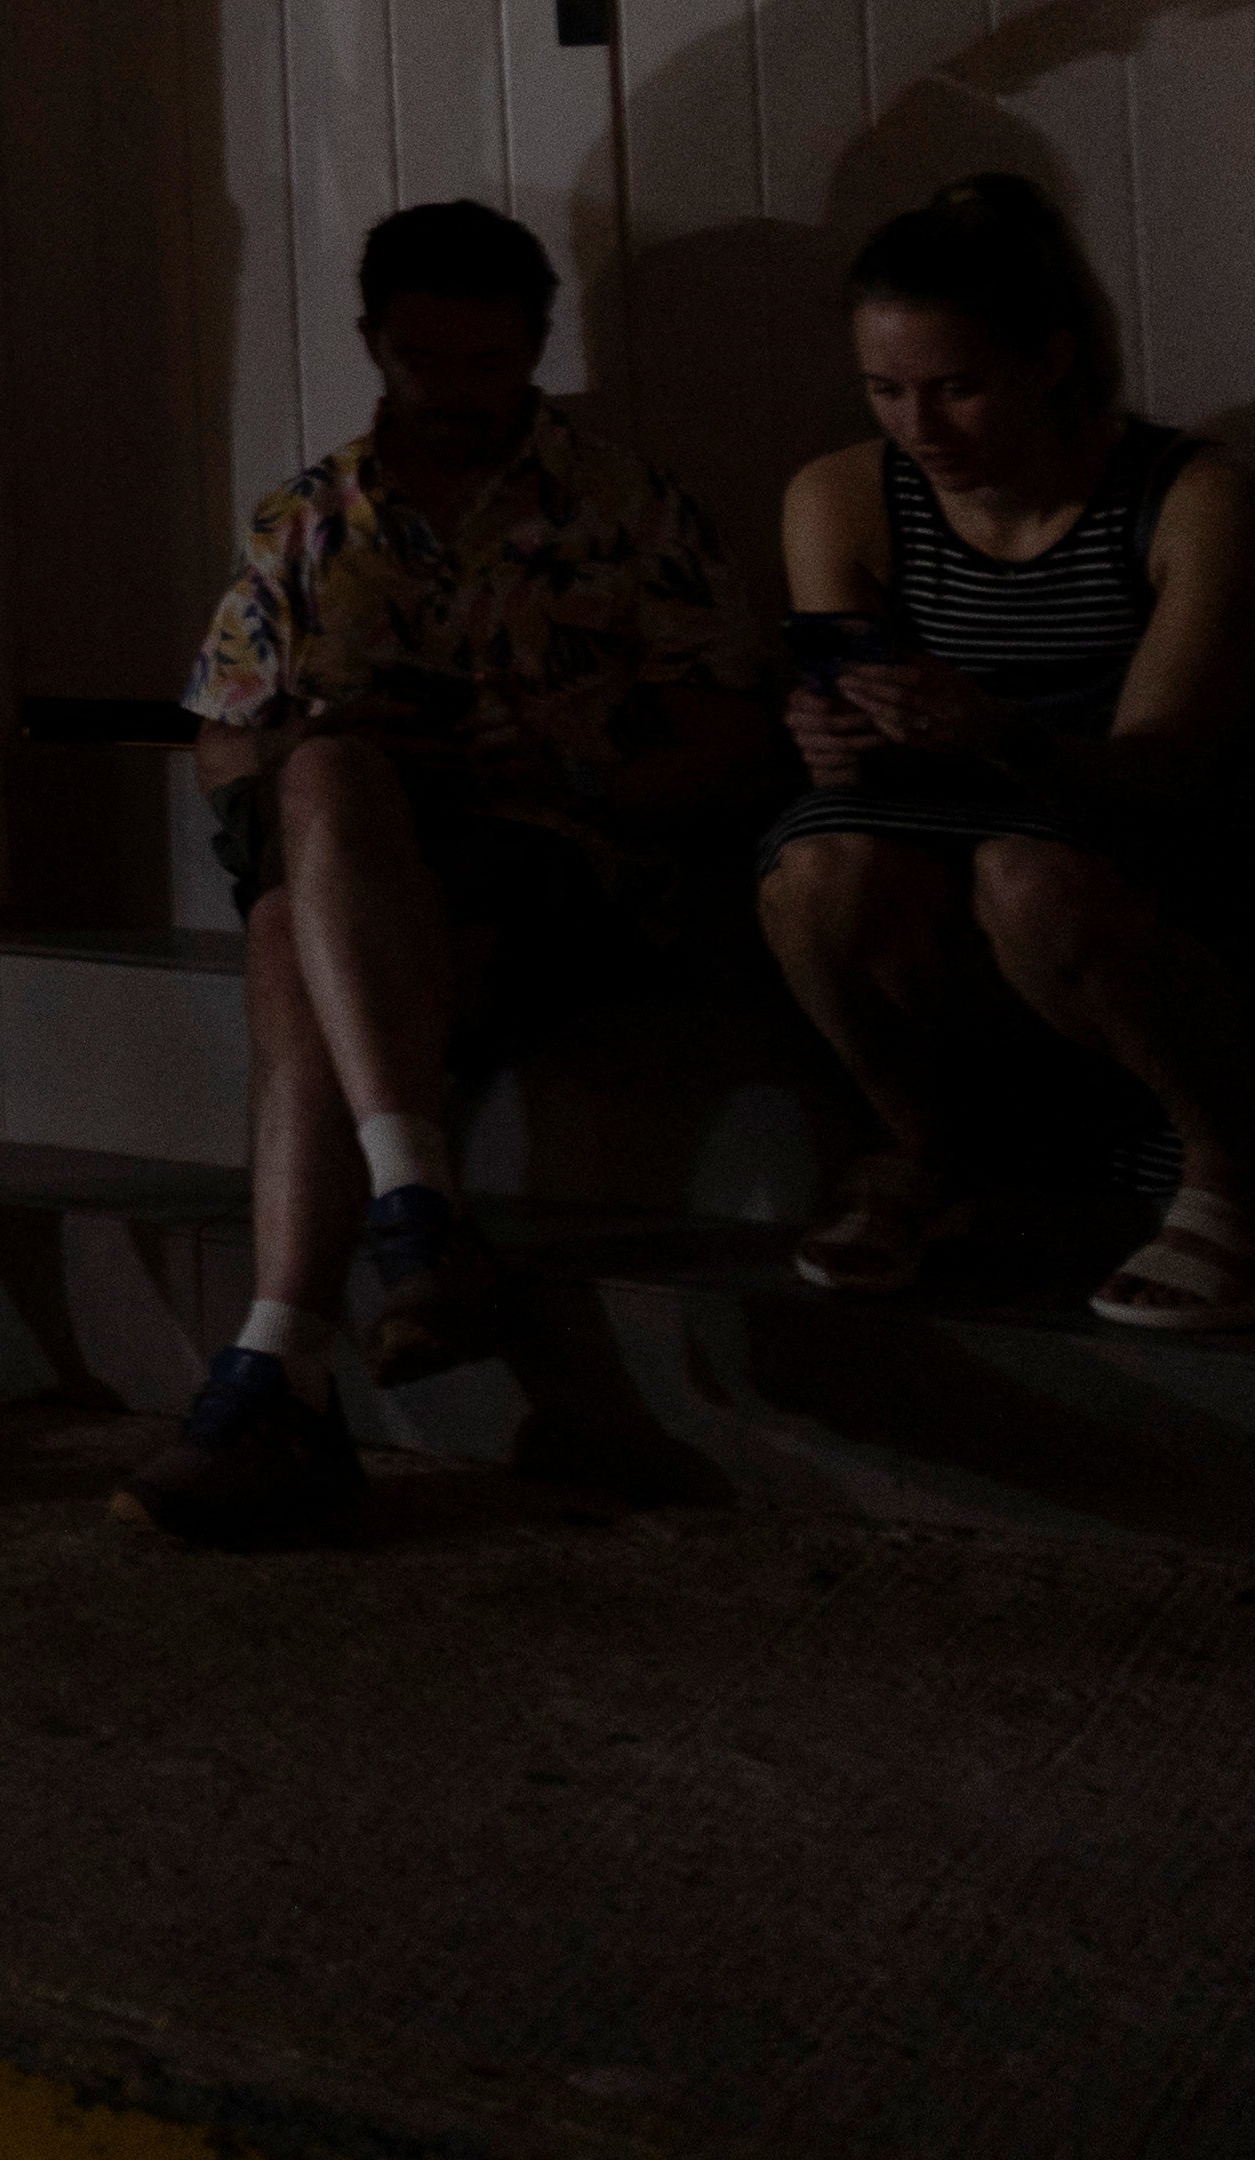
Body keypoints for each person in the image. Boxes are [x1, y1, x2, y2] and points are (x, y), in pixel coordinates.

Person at [118, 203, 776, 1546]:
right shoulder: (309, 521)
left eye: (490, 364)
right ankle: (402, 1235)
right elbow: (222, 746)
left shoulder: (623, 510)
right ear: (376, 345)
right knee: (321, 787)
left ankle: (284, 1361)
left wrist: (566, 765)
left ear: (535, 349)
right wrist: (339, 736)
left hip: (559, 875)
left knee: (295, 921)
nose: (460, 394)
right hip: (378, 876)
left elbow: (726, 737)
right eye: (427, 361)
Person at [759, 175, 1255, 1333]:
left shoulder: (1201, 497)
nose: (920, 428)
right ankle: (922, 1151)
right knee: (816, 870)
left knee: (1029, 877)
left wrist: (1002, 731)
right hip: (949, 817)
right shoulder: (843, 494)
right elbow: (853, 777)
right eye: (886, 390)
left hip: (1144, 833)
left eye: (959, 388)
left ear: (1053, 358)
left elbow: (1169, 771)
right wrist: (830, 733)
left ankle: (1244, 1177)